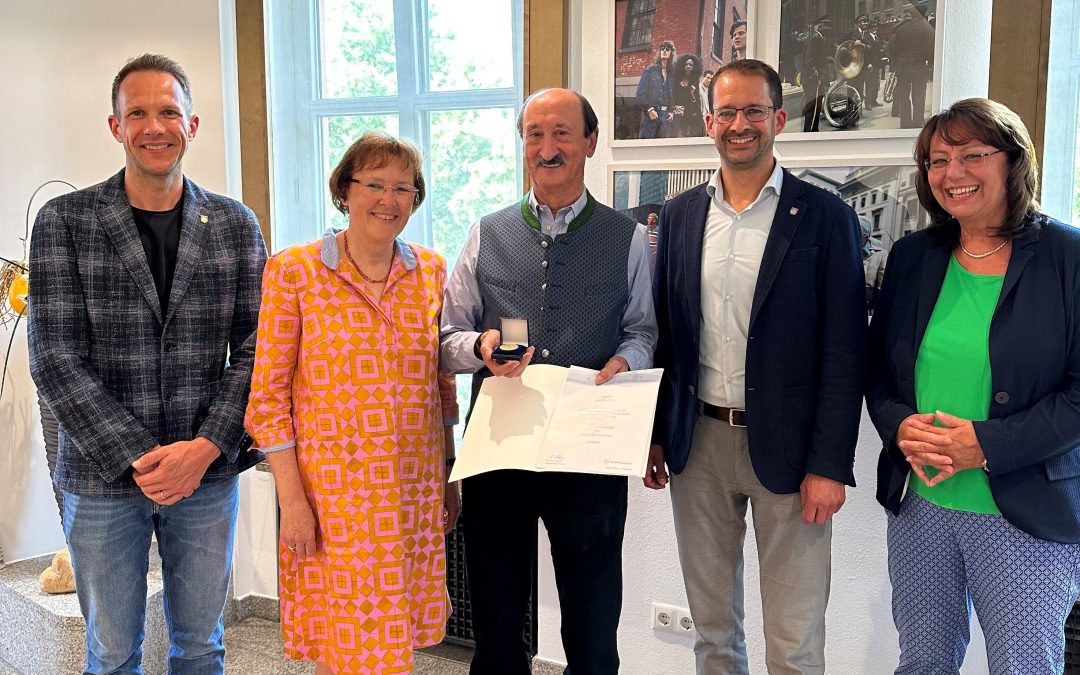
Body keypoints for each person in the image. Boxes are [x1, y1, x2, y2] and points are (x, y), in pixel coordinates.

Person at [27, 53, 267, 673]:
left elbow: (257, 350)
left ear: (192, 125)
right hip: (102, 477)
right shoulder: (64, 222)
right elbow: (54, 356)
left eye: (168, 112)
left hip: (206, 477)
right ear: (115, 126)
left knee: (202, 645)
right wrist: (141, 456)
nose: (154, 126)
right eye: (138, 113)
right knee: (110, 653)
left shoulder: (236, 226)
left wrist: (205, 449)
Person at [646, 60, 866, 675]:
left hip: (793, 454)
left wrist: (829, 464)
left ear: (778, 119)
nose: (740, 125)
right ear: (709, 122)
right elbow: (668, 333)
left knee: (794, 641)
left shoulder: (825, 218)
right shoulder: (682, 214)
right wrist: (658, 433)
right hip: (700, 446)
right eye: (728, 113)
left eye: (754, 112)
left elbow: (845, 352)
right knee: (713, 632)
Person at [440, 87, 656, 675]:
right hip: (499, 450)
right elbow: (445, 337)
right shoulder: (486, 233)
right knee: (497, 617)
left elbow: (642, 330)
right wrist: (480, 348)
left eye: (562, 133)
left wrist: (627, 364)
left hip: (589, 452)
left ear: (589, 142)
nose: (547, 147)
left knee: (590, 624)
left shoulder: (628, 238)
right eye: (534, 134)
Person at [866, 98, 1080, 674]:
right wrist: (900, 426)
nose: (952, 173)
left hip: (1023, 511)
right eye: (938, 160)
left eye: (971, 155)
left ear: (1013, 162)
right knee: (923, 663)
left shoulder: (1068, 257)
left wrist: (986, 445)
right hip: (922, 507)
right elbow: (880, 371)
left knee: (1023, 666)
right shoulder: (914, 257)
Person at [244, 132, 460, 675]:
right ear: (345, 190)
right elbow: (267, 400)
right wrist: (292, 502)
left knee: (394, 640)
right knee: (345, 648)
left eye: (403, 188)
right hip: (332, 499)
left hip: (410, 493)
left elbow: (441, 388)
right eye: (375, 185)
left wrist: (451, 476)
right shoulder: (294, 272)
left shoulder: (431, 273)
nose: (388, 200)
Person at [889, 6, 934, 128]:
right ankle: (918, 122)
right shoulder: (927, 28)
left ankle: (905, 123)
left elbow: (892, 49)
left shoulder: (900, 29)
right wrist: (930, 65)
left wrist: (896, 64)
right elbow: (931, 50)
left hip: (903, 68)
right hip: (919, 67)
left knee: (904, 96)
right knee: (919, 95)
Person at [636, 40, 676, 139]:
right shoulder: (650, 70)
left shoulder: (672, 75)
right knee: (646, 148)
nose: (664, 51)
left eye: (667, 49)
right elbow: (640, 95)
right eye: (662, 49)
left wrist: (671, 111)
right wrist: (649, 110)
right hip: (651, 115)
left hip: (665, 117)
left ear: (671, 53)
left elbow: (672, 95)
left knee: (661, 150)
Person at [801, 16, 834, 132]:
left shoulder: (816, 38)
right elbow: (810, 60)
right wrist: (817, 76)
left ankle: (813, 131)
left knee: (815, 108)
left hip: (814, 80)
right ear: (820, 27)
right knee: (813, 109)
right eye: (827, 27)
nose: (829, 29)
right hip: (814, 81)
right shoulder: (816, 39)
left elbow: (816, 57)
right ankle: (810, 133)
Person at [846, 13, 880, 110]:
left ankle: (859, 112)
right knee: (851, 89)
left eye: (866, 21)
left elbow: (870, 49)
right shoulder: (851, 32)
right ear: (858, 23)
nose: (866, 23)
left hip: (863, 66)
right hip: (852, 65)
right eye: (863, 21)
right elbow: (840, 43)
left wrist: (863, 46)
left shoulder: (868, 35)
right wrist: (852, 44)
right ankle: (848, 111)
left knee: (860, 89)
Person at [671, 53, 706, 137]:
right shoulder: (675, 81)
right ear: (682, 65)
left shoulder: (694, 83)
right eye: (686, 64)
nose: (688, 66)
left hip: (688, 115)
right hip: (675, 115)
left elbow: (696, 102)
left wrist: (692, 94)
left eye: (691, 65)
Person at [861, 215, 887, 313]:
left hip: (868, 308)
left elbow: (882, 284)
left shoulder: (880, 254)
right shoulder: (846, 251)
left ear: (865, 235)